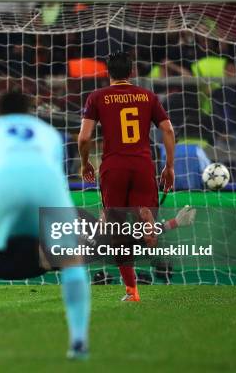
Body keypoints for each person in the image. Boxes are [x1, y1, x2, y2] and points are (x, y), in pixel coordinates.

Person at [0, 91, 90, 361]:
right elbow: (56, 173)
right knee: (72, 260)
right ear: (29, 111)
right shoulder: (50, 133)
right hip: (49, 189)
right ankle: (79, 343)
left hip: (4, 186)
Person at [78, 51, 175, 302]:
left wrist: (85, 163)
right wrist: (169, 167)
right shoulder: (147, 96)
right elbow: (168, 129)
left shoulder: (97, 97)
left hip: (114, 166)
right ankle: (146, 219)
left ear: (107, 73)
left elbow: (84, 137)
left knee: (116, 231)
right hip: (143, 164)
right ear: (131, 72)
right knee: (143, 210)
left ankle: (132, 291)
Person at [0, 206, 196, 285]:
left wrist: (172, 224)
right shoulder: (82, 215)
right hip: (29, 242)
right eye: (107, 213)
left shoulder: (109, 243)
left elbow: (141, 238)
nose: (107, 216)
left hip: (34, 263)